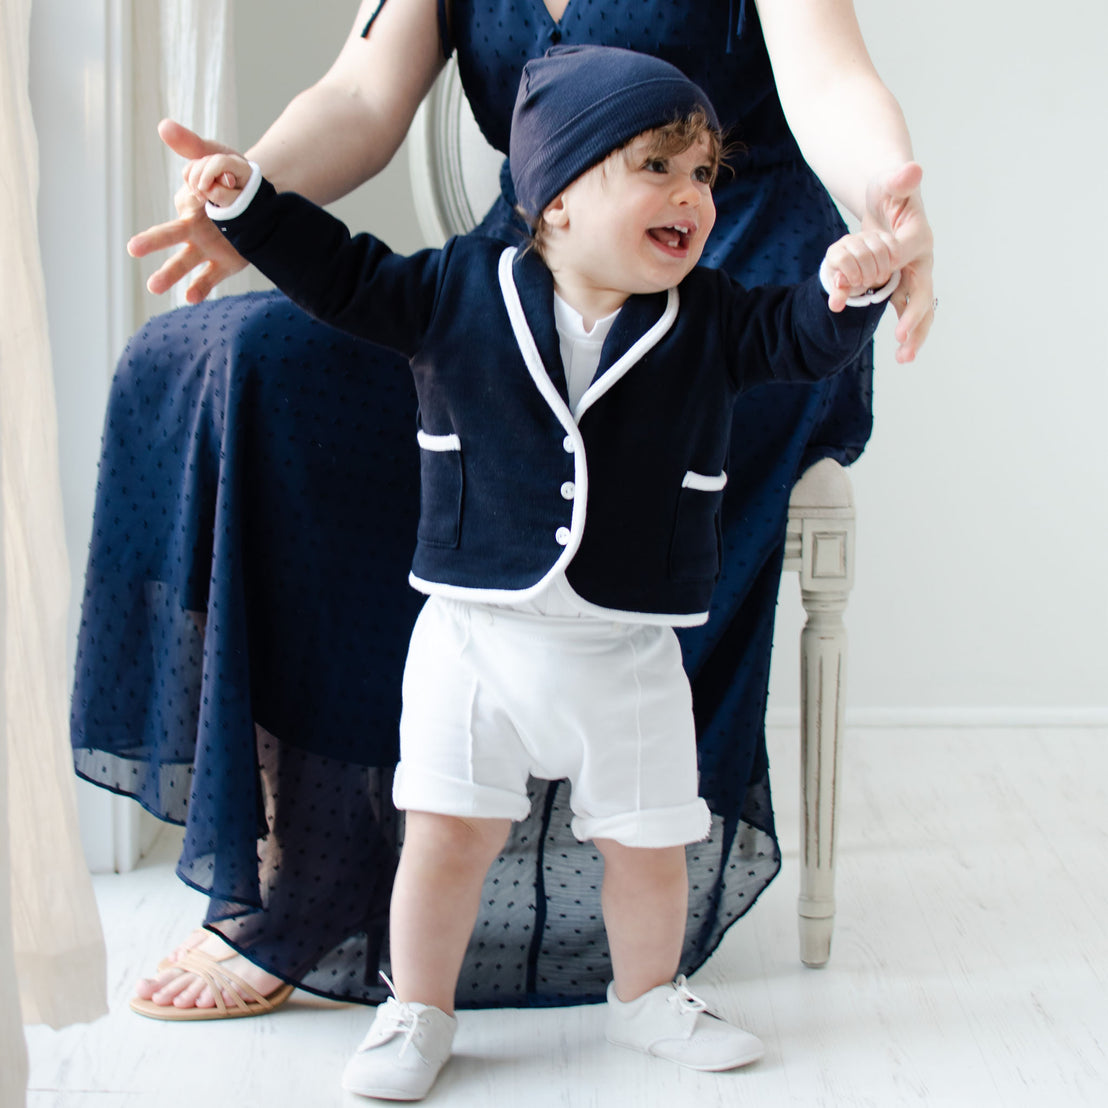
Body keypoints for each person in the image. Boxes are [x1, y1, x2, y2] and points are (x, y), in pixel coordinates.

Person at [72, 0, 934, 1019]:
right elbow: (358, 93)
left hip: (735, 299)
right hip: (531, 281)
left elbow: (829, 81)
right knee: (256, 360)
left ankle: (603, 881)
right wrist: (245, 192)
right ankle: (319, 867)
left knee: (630, 437)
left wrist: (886, 205)